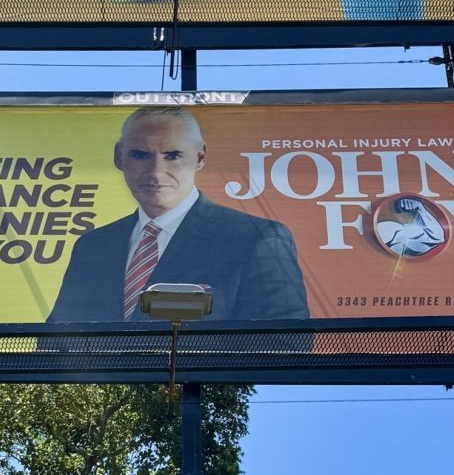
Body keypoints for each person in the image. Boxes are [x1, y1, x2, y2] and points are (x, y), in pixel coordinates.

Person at [46, 108, 308, 323]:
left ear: (200, 157)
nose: (156, 172)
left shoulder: (257, 238)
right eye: (140, 155)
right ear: (119, 157)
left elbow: (286, 342)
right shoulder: (92, 246)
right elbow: (54, 342)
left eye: (173, 156)